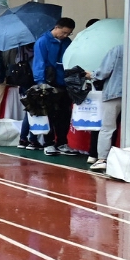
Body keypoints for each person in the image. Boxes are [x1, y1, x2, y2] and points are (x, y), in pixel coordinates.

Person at [33, 17, 77, 156]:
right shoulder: (43, 41)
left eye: (68, 33)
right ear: (56, 27)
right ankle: (48, 143)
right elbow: (39, 62)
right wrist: (40, 82)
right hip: (49, 82)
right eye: (63, 32)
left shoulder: (67, 42)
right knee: (49, 114)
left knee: (64, 114)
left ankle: (62, 143)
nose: (64, 36)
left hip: (64, 82)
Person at [91, 43, 122, 172]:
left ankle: (102, 159)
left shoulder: (118, 49)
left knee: (107, 128)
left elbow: (103, 72)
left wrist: (92, 74)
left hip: (114, 92)